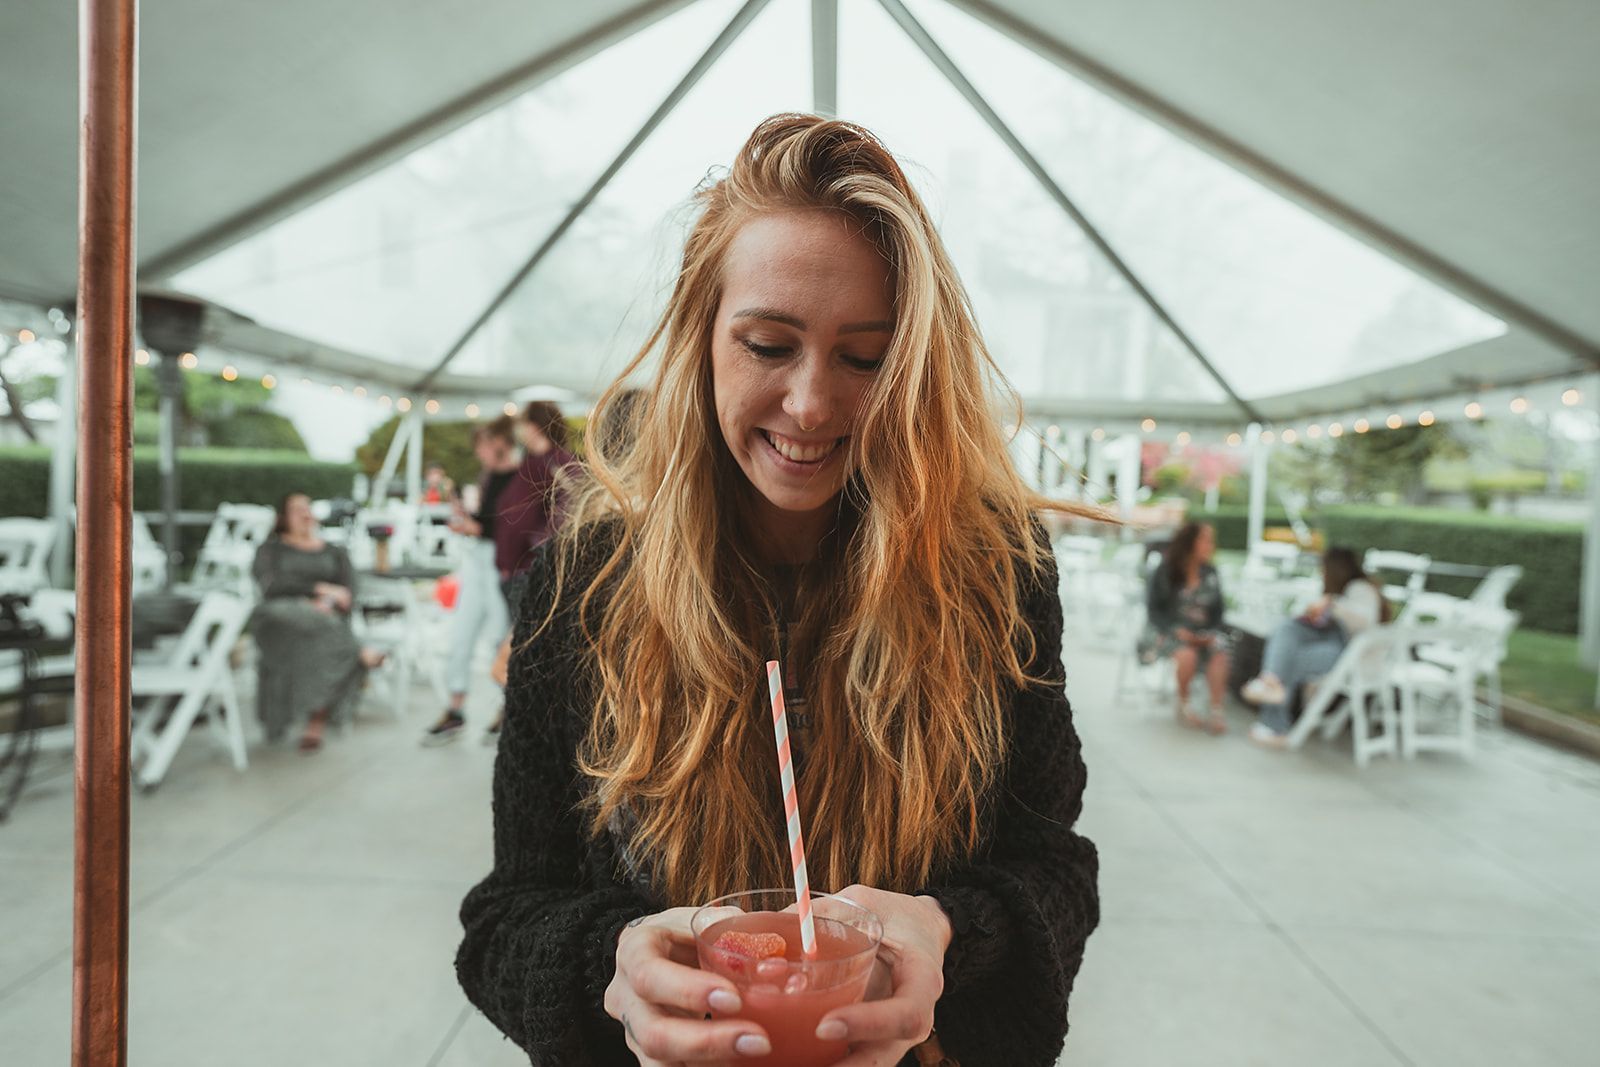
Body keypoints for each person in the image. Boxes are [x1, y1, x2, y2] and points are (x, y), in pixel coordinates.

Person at [456, 114, 1100, 1067]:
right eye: (767, 343)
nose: (809, 403)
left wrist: (947, 933)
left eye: (865, 356)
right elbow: (506, 914)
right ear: (700, 336)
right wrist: (614, 960)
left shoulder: (998, 573)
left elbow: (1055, 868)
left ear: (913, 364)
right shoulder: (586, 581)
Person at [250, 493, 385, 752]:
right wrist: (318, 590)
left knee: (322, 640)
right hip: (280, 619)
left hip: (324, 622)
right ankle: (359, 651)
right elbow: (271, 585)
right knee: (314, 624)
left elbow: (348, 592)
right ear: (284, 517)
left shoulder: (334, 552)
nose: (304, 514)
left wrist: (329, 603)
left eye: (307, 508)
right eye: (296, 509)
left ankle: (316, 720)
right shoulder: (270, 549)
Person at [478, 401, 579, 742]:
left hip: (533, 572)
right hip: (516, 572)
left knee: (525, 651)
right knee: (520, 648)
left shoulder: (556, 463)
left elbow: (568, 513)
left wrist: (535, 551)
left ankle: (524, 722)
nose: (519, 429)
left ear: (535, 425)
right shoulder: (532, 464)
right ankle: (515, 715)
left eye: (524, 423)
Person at [422, 419, 519, 746]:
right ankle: (455, 707)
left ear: (499, 443)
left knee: (498, 637)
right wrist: (467, 520)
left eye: (482, 445)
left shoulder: (520, 476)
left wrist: (474, 527)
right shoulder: (489, 477)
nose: (479, 452)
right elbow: (486, 522)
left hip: (500, 564)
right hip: (477, 561)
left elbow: (508, 527)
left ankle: (508, 709)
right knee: (461, 632)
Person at [1241, 547, 1387, 748]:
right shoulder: (1343, 590)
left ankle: (1275, 724)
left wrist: (1331, 605)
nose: (1322, 573)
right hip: (1332, 646)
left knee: (1290, 660)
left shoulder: (1361, 589)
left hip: (1350, 656)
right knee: (1287, 627)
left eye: (1324, 568)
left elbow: (1363, 621)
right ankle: (1271, 680)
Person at [1139, 521, 1231, 734]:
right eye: (1206, 540)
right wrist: (1176, 630)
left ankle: (1216, 711)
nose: (1211, 545)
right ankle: (1183, 703)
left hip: (1202, 633)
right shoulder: (1166, 570)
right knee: (1186, 655)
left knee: (1219, 651)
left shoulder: (1211, 572)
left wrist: (1209, 633)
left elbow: (1218, 612)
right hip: (1167, 631)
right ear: (1191, 542)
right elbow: (1154, 611)